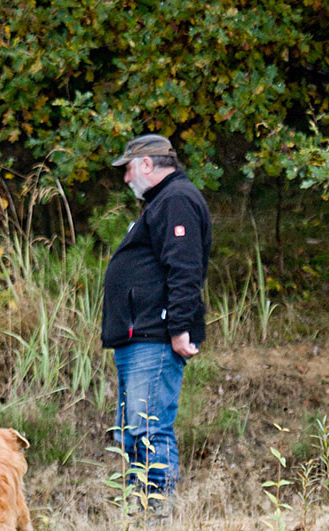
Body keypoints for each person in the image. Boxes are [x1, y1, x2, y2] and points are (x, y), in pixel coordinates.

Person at [102, 133, 212, 500]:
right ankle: (141, 509)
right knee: (133, 430)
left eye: (128, 168)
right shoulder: (162, 202)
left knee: (149, 428)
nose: (126, 178)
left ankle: (157, 515)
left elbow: (184, 268)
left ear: (147, 164)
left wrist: (179, 327)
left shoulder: (177, 200)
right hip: (139, 336)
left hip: (156, 336)